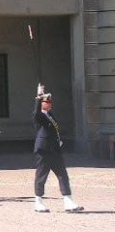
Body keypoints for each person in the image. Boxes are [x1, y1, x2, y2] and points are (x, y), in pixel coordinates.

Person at [33, 84, 83, 213]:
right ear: (42, 104)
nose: (48, 104)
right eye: (46, 102)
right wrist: (39, 97)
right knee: (41, 176)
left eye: (49, 102)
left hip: (54, 150)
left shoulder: (50, 115)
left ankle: (68, 201)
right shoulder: (40, 116)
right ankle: (38, 201)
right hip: (44, 150)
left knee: (63, 175)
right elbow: (36, 113)